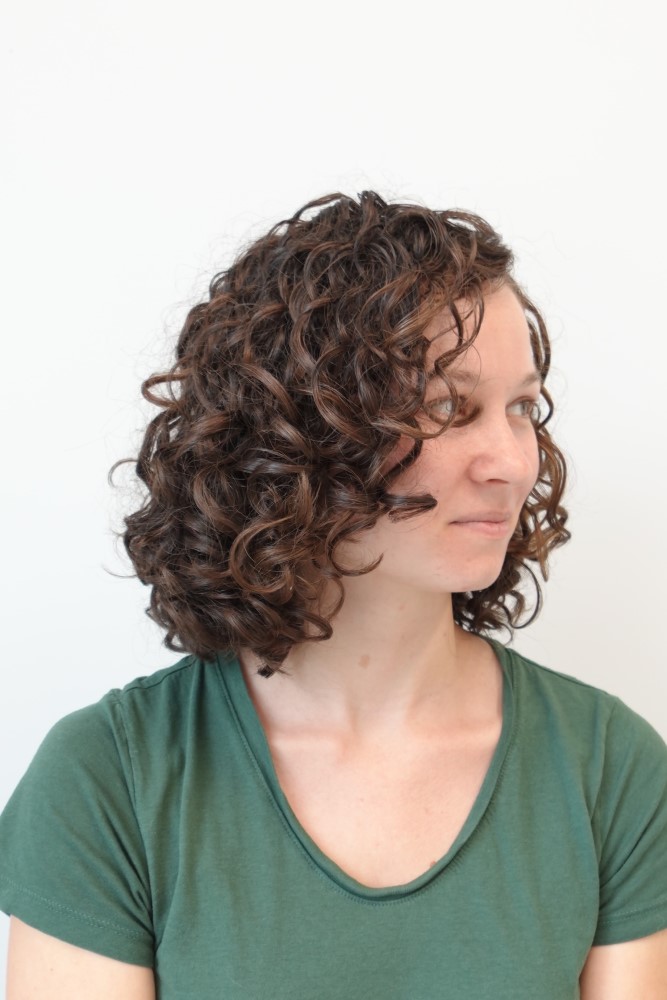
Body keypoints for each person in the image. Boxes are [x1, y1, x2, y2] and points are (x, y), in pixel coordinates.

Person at [1, 191, 666, 999]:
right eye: (447, 407)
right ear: (298, 433)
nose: (512, 463)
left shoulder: (609, 769)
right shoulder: (111, 778)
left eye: (520, 407)